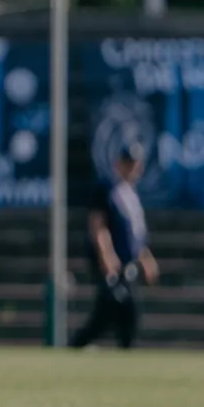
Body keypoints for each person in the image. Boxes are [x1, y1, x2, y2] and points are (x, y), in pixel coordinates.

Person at [69, 143, 160, 350]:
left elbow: (135, 236)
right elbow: (98, 225)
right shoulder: (107, 188)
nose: (131, 169)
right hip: (113, 264)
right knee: (119, 306)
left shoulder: (131, 194)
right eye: (128, 163)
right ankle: (81, 345)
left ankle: (84, 346)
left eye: (135, 164)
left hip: (128, 264)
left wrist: (146, 259)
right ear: (118, 163)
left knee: (115, 311)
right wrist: (106, 256)